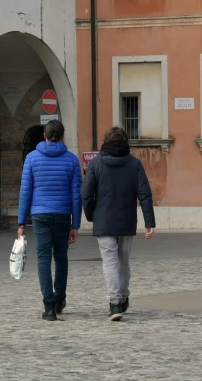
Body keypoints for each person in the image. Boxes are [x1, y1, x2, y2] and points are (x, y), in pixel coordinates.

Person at [83, 125, 156, 320]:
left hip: (104, 220)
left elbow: (86, 193)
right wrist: (149, 222)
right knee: (123, 261)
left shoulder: (96, 164)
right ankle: (123, 298)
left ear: (105, 141)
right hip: (126, 219)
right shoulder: (134, 164)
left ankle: (114, 304)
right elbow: (145, 194)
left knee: (109, 263)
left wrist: (91, 215)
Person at [16, 118, 82, 320]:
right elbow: (76, 194)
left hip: (40, 214)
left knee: (43, 259)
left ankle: (49, 305)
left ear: (44, 136)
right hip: (63, 214)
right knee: (61, 258)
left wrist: (21, 222)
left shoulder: (32, 158)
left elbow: (25, 191)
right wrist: (75, 224)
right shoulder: (72, 160)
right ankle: (60, 297)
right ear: (62, 137)